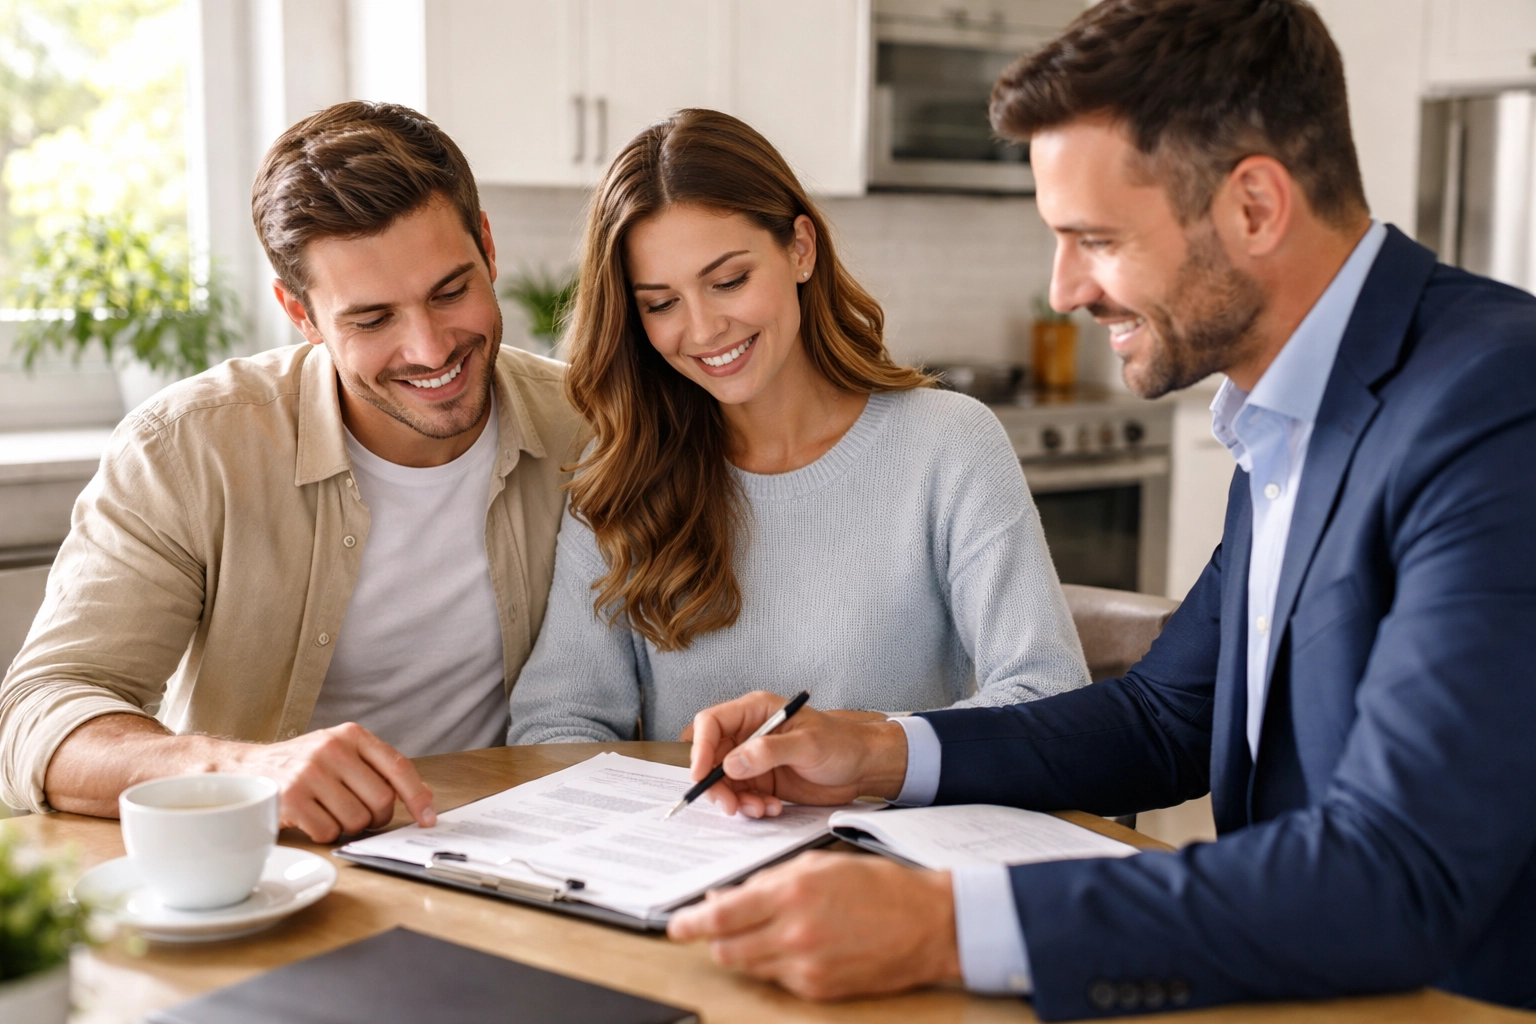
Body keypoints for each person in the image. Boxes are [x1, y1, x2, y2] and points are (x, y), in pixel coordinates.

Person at [664, 1, 1536, 1018]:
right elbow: (1167, 713)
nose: (1064, 288)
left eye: (1095, 239)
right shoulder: (1294, 404)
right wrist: (874, 750)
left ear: (1255, 206)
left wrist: (939, 921)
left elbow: (1399, 873)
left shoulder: (1494, 403)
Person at [0, 102, 586, 842]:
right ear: (299, 313)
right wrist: (245, 774)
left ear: (488, 249)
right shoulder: (187, 450)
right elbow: (39, 714)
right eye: (372, 320)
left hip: (504, 854)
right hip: (265, 868)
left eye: (450, 291)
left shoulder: (588, 426)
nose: (430, 348)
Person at [506, 109, 1090, 746]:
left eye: (729, 280)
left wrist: (858, 749)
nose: (702, 330)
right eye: (661, 303)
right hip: (697, 843)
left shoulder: (949, 445)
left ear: (801, 249)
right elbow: (557, 723)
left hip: (886, 842)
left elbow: (1050, 695)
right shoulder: (623, 471)